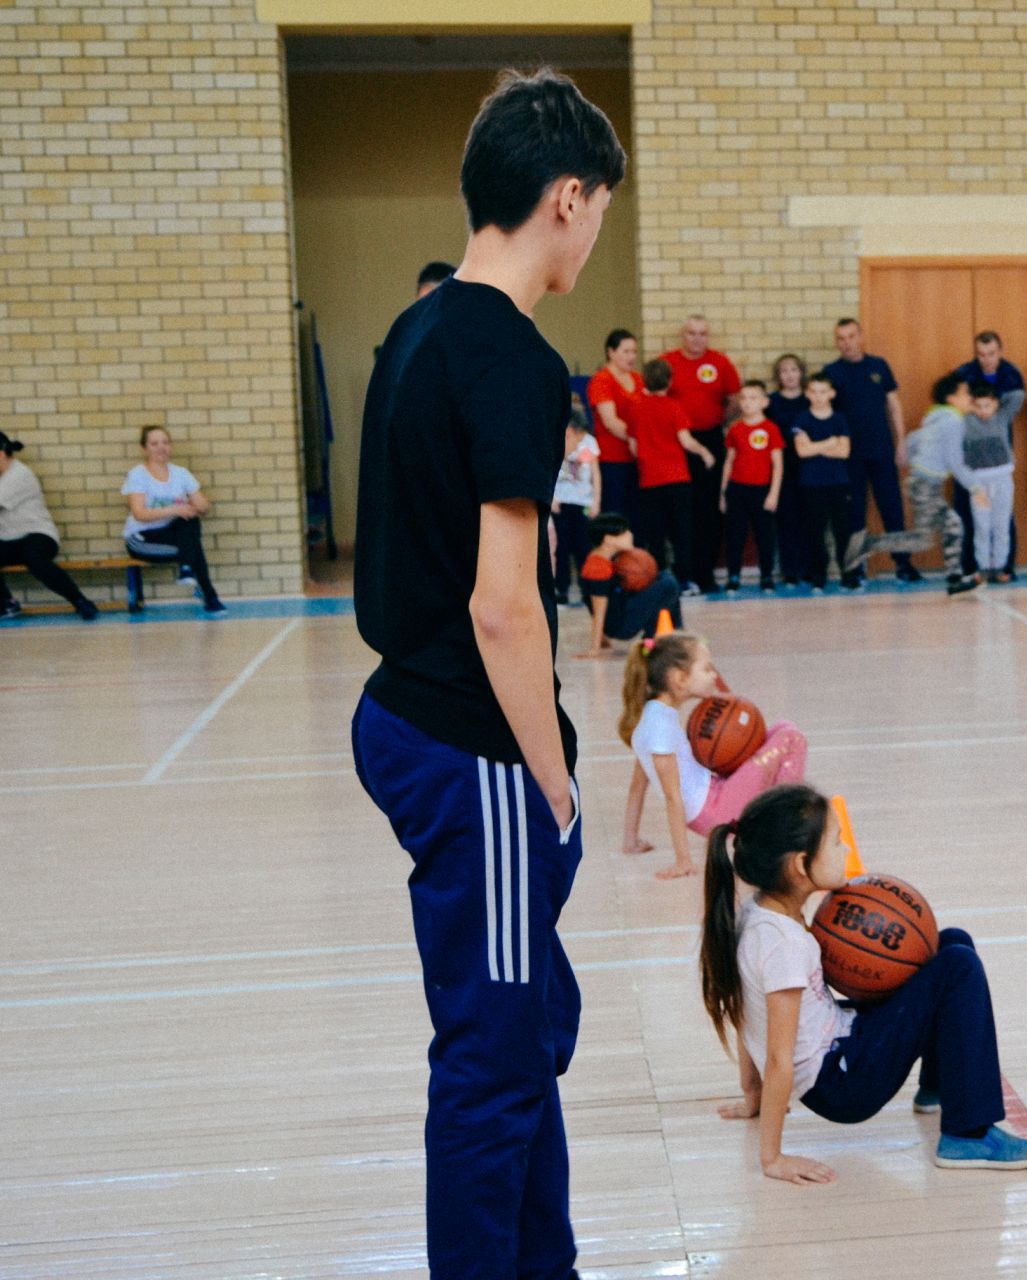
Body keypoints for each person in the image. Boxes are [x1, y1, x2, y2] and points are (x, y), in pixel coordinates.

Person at [349, 68, 624, 1277]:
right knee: (492, 1062)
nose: (598, 224)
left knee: (520, 1030)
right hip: (476, 740)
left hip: (403, 710)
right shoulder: (512, 356)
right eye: (602, 202)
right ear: (568, 196)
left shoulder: (414, 328)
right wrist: (556, 782)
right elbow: (505, 607)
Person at [700, 783, 1027, 1182]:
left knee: (951, 943)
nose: (847, 850)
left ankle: (940, 1087)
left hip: (840, 1043)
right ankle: (967, 1134)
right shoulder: (783, 945)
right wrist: (772, 1159)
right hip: (844, 1083)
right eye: (836, 843)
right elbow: (779, 1056)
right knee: (957, 967)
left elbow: (745, 1011)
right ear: (801, 865)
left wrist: (752, 1093)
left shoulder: (757, 913)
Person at [619, 632, 807, 880]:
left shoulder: (653, 717)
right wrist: (683, 861)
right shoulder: (659, 729)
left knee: (782, 728)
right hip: (714, 812)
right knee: (792, 738)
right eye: (707, 669)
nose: (714, 676)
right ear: (680, 679)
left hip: (715, 795)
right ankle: (780, 826)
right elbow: (673, 798)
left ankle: (773, 817)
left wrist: (630, 840)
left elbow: (637, 787)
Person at [823, 319, 915, 583]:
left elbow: (894, 405)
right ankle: (856, 567)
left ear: (861, 337)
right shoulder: (831, 372)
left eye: (851, 336)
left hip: (882, 450)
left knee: (892, 508)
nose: (847, 342)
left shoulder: (879, 366)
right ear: (836, 342)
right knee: (854, 514)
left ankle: (903, 565)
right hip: (849, 456)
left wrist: (900, 442)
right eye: (841, 338)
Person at [658, 316, 742, 595]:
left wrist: (717, 421)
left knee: (709, 511)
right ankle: (685, 575)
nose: (697, 338)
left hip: (711, 440)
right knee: (682, 511)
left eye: (702, 334)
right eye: (692, 333)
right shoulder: (668, 362)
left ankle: (706, 575)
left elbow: (734, 400)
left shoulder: (719, 363)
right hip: (678, 444)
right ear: (683, 336)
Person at [122, 424, 223, 615]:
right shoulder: (138, 474)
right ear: (145, 448)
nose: (161, 447)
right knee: (193, 547)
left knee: (190, 522)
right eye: (154, 444)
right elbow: (139, 514)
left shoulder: (181, 473)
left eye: (165, 442)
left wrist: (198, 506)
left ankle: (188, 570)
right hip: (142, 538)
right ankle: (209, 594)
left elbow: (203, 505)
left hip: (172, 534)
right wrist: (176, 509)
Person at [950, 332, 1027, 578]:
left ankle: (1005, 566)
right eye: (981, 355)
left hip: (999, 456)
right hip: (973, 462)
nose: (987, 360)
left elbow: (1017, 398)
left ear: (1000, 351)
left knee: (1002, 519)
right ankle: (973, 567)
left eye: (992, 354)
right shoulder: (964, 373)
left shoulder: (1011, 374)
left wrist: (993, 404)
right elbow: (952, 400)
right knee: (971, 516)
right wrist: (973, 407)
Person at [630, 357, 711, 588]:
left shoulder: (636, 408)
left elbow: (633, 446)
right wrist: (705, 452)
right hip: (677, 479)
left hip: (649, 480)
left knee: (655, 535)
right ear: (670, 381)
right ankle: (685, 580)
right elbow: (686, 441)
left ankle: (658, 580)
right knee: (681, 533)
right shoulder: (674, 407)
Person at [0, 430, 98, 619]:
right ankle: (7, 604)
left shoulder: (19, 474)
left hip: (38, 535)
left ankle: (80, 601)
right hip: (9, 540)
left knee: (35, 559)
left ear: (1, 453)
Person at [903, 373, 979, 596]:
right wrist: (976, 489)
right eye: (965, 393)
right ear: (951, 398)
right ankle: (868, 544)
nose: (970, 397)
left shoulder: (937, 417)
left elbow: (913, 440)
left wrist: (913, 461)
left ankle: (954, 579)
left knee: (952, 526)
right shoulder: (953, 421)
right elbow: (955, 462)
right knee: (922, 540)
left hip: (923, 483)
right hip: (924, 485)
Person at [575, 512, 683, 658]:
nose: (630, 534)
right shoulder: (597, 568)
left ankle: (675, 635)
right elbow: (597, 609)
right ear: (608, 539)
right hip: (620, 624)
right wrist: (595, 648)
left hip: (623, 611)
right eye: (624, 532)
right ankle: (653, 641)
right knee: (668, 584)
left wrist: (604, 640)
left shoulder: (603, 559)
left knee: (663, 577)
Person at [793, 372, 859, 592]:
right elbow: (802, 451)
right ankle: (818, 576)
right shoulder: (802, 418)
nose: (819, 396)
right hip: (811, 484)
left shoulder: (839, 418)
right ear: (807, 394)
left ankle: (848, 575)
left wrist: (816, 447)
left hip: (838, 483)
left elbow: (844, 451)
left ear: (831, 393)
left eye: (823, 391)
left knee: (843, 532)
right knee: (815, 531)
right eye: (813, 391)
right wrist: (830, 442)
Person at [719, 381, 783, 594]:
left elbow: (778, 464)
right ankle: (733, 576)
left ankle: (766, 576)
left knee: (764, 535)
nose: (747, 403)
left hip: (762, 490)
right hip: (737, 489)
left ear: (764, 402)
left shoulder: (771, 429)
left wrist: (773, 493)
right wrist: (723, 493)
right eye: (744, 398)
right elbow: (729, 461)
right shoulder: (735, 429)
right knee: (735, 535)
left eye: (753, 398)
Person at [587, 328, 643, 532]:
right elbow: (610, 421)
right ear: (611, 352)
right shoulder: (602, 380)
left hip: (637, 458)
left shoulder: (637, 378)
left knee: (636, 513)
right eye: (626, 351)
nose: (632, 357)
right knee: (615, 512)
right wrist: (636, 438)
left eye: (634, 352)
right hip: (612, 458)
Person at [960, 383, 1017, 582]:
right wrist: (968, 405)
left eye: (988, 405)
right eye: (979, 406)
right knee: (982, 526)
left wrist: (997, 399)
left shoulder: (1002, 417)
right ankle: (982, 568)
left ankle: (1000, 567)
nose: (983, 411)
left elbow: (1018, 395)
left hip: (1003, 477)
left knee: (1001, 524)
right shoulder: (966, 421)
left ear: (995, 405)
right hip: (978, 481)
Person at [765, 354, 812, 587]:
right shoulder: (771, 402)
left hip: (810, 466)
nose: (790, 375)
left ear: (801, 372)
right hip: (782, 468)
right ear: (778, 376)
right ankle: (790, 569)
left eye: (794, 370)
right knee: (786, 519)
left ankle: (809, 567)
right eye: (784, 371)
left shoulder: (811, 399)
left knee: (810, 518)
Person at [550, 408, 600, 605]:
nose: (578, 444)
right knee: (560, 547)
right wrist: (550, 497)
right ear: (570, 432)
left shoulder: (588, 442)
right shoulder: (553, 441)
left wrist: (596, 500)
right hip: (560, 501)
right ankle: (561, 589)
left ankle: (587, 589)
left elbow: (595, 473)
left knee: (583, 546)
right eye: (577, 440)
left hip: (583, 501)